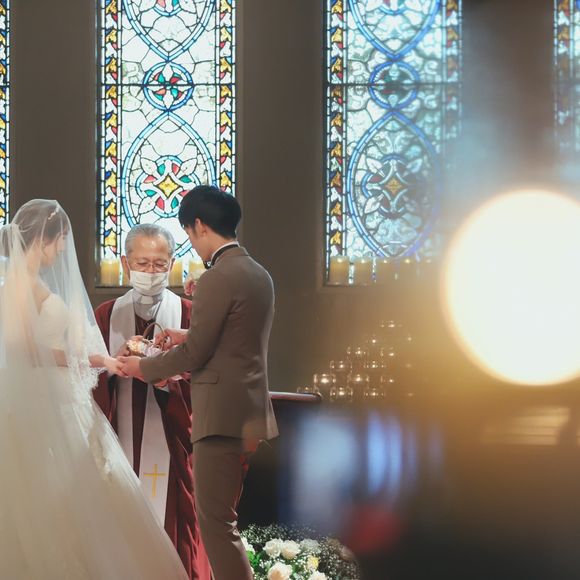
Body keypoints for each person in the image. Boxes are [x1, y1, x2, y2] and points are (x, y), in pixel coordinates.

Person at [0, 199, 188, 579]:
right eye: (60, 243)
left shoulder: (30, 283)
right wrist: (96, 359)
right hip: (44, 407)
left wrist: (100, 358)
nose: (61, 252)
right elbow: (24, 350)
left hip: (57, 401)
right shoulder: (20, 285)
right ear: (44, 239)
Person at [120, 185, 279, 580]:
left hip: (220, 416)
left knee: (216, 526)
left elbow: (195, 356)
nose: (192, 243)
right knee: (223, 520)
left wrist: (143, 368)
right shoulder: (258, 273)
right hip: (248, 411)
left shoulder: (217, 277)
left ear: (200, 226)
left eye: (189, 234)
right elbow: (237, 338)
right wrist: (186, 334)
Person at [94, 223, 210, 580]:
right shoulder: (105, 315)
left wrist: (167, 379)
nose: (151, 271)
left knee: (173, 523)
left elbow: (209, 378)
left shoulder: (190, 314)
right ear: (125, 264)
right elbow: (86, 382)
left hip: (173, 442)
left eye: (160, 264)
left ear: (172, 264)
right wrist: (111, 367)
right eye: (142, 264)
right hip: (118, 440)